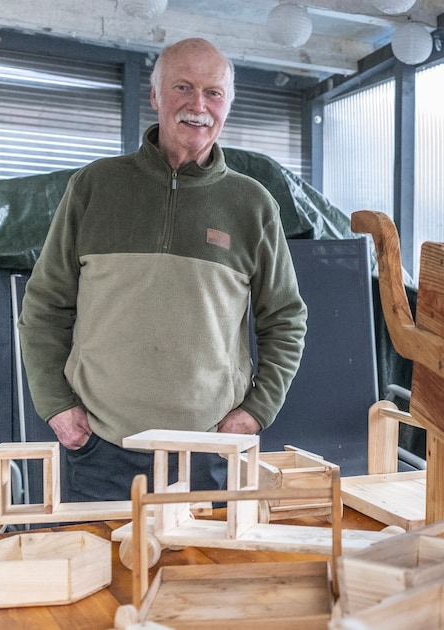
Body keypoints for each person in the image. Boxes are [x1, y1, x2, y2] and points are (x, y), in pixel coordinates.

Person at [18, 38, 308, 502]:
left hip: (211, 451)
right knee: (103, 573)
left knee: (203, 574)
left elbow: (286, 319)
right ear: (155, 95)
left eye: (214, 92)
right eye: (183, 87)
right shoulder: (96, 186)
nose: (199, 106)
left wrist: (256, 410)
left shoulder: (252, 205)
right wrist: (55, 405)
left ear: (228, 104)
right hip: (102, 448)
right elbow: (45, 305)